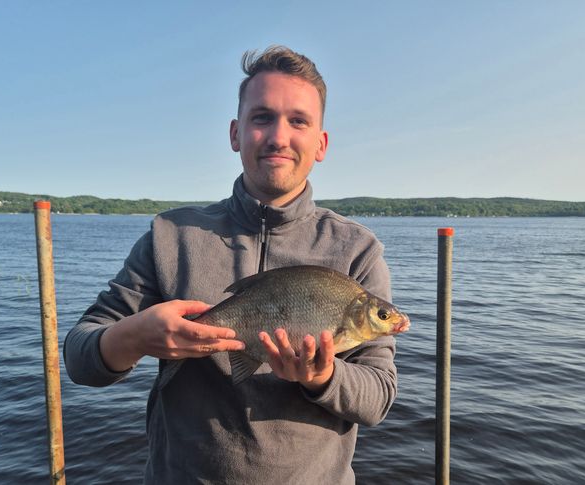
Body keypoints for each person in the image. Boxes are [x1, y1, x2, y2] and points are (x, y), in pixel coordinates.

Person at [64, 45, 399, 484]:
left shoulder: (357, 249)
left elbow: (378, 398)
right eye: (262, 117)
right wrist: (135, 335)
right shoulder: (171, 235)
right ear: (235, 134)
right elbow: (79, 358)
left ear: (321, 143)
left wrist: (324, 375)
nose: (278, 137)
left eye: (298, 121)